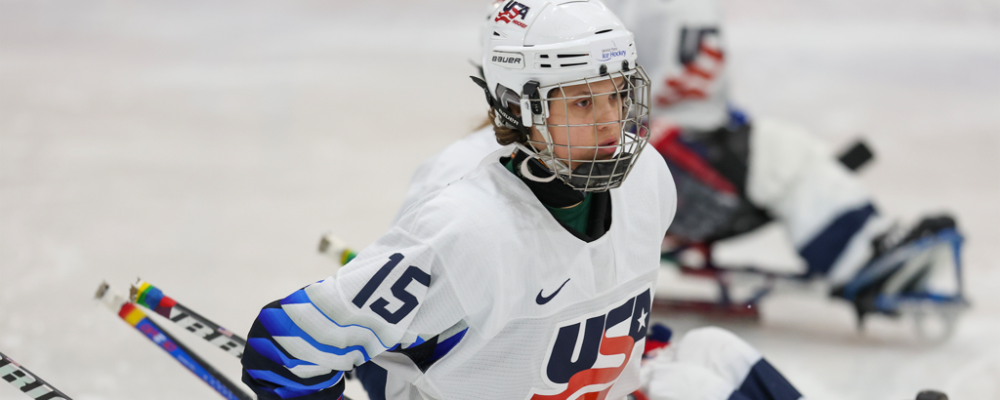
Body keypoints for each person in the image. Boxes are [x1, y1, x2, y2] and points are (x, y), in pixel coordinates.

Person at [395, 0, 966, 328]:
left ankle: (860, 243)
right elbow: (563, 89)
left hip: (690, 146)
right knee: (781, 156)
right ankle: (862, 255)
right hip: (653, 155)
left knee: (781, 150)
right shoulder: (595, 11)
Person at [241, 1, 680, 398]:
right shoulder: (469, 230)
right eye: (583, 102)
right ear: (518, 106)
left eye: (618, 93)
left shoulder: (649, 180)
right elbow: (284, 346)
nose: (611, 121)